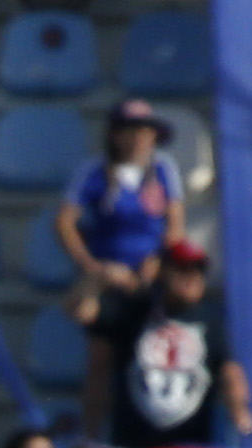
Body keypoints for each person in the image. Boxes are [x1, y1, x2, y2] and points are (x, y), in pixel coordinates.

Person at [75, 235, 248, 448]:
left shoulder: (213, 321)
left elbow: (230, 372)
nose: (191, 278)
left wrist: (239, 410)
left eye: (198, 271)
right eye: (182, 269)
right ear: (163, 271)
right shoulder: (131, 312)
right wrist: (98, 278)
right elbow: (80, 313)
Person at [54, 99, 185, 312]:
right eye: (129, 131)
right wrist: (93, 266)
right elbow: (64, 222)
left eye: (144, 131)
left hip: (153, 271)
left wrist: (158, 260)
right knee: (84, 309)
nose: (137, 138)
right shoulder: (93, 172)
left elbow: (175, 225)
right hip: (107, 272)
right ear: (114, 135)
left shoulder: (164, 169)